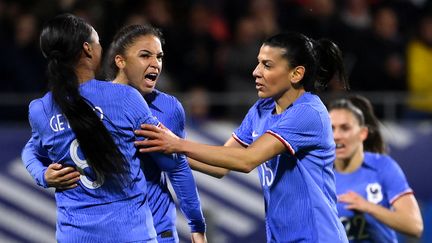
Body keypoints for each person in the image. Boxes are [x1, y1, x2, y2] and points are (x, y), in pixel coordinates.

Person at [135, 32, 349, 242]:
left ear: (296, 74)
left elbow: (246, 160)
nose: (256, 72)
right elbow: (221, 166)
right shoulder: (261, 109)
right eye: (258, 63)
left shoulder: (309, 112)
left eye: (267, 65)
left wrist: (177, 144)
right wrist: (160, 148)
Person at [22, 23, 207, 243]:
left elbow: (32, 149)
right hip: (133, 230)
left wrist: (41, 174)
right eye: (145, 55)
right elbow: (175, 165)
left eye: (159, 56)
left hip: (85, 233)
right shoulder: (124, 99)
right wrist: (198, 225)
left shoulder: (42, 109)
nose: (155, 63)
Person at [328, 95, 423, 242]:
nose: (337, 136)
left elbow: (414, 226)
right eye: (331, 128)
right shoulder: (320, 174)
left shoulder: (383, 167)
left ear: (363, 133)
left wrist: (368, 207)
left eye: (345, 128)